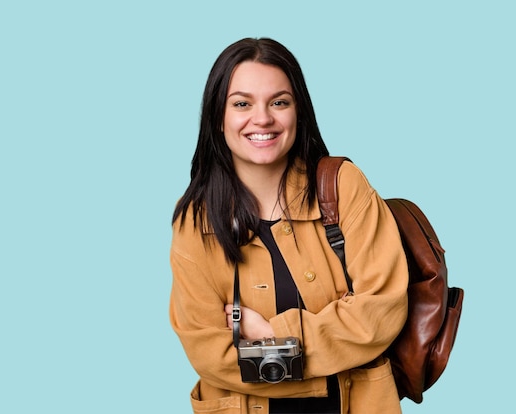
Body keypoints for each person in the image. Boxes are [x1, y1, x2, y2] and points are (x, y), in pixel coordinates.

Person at [169, 37, 409, 414]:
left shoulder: (343, 187)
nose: (262, 118)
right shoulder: (194, 222)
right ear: (219, 117)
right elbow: (209, 356)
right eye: (242, 104)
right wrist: (328, 357)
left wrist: (268, 335)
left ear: (299, 112)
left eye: (279, 102)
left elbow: (381, 313)